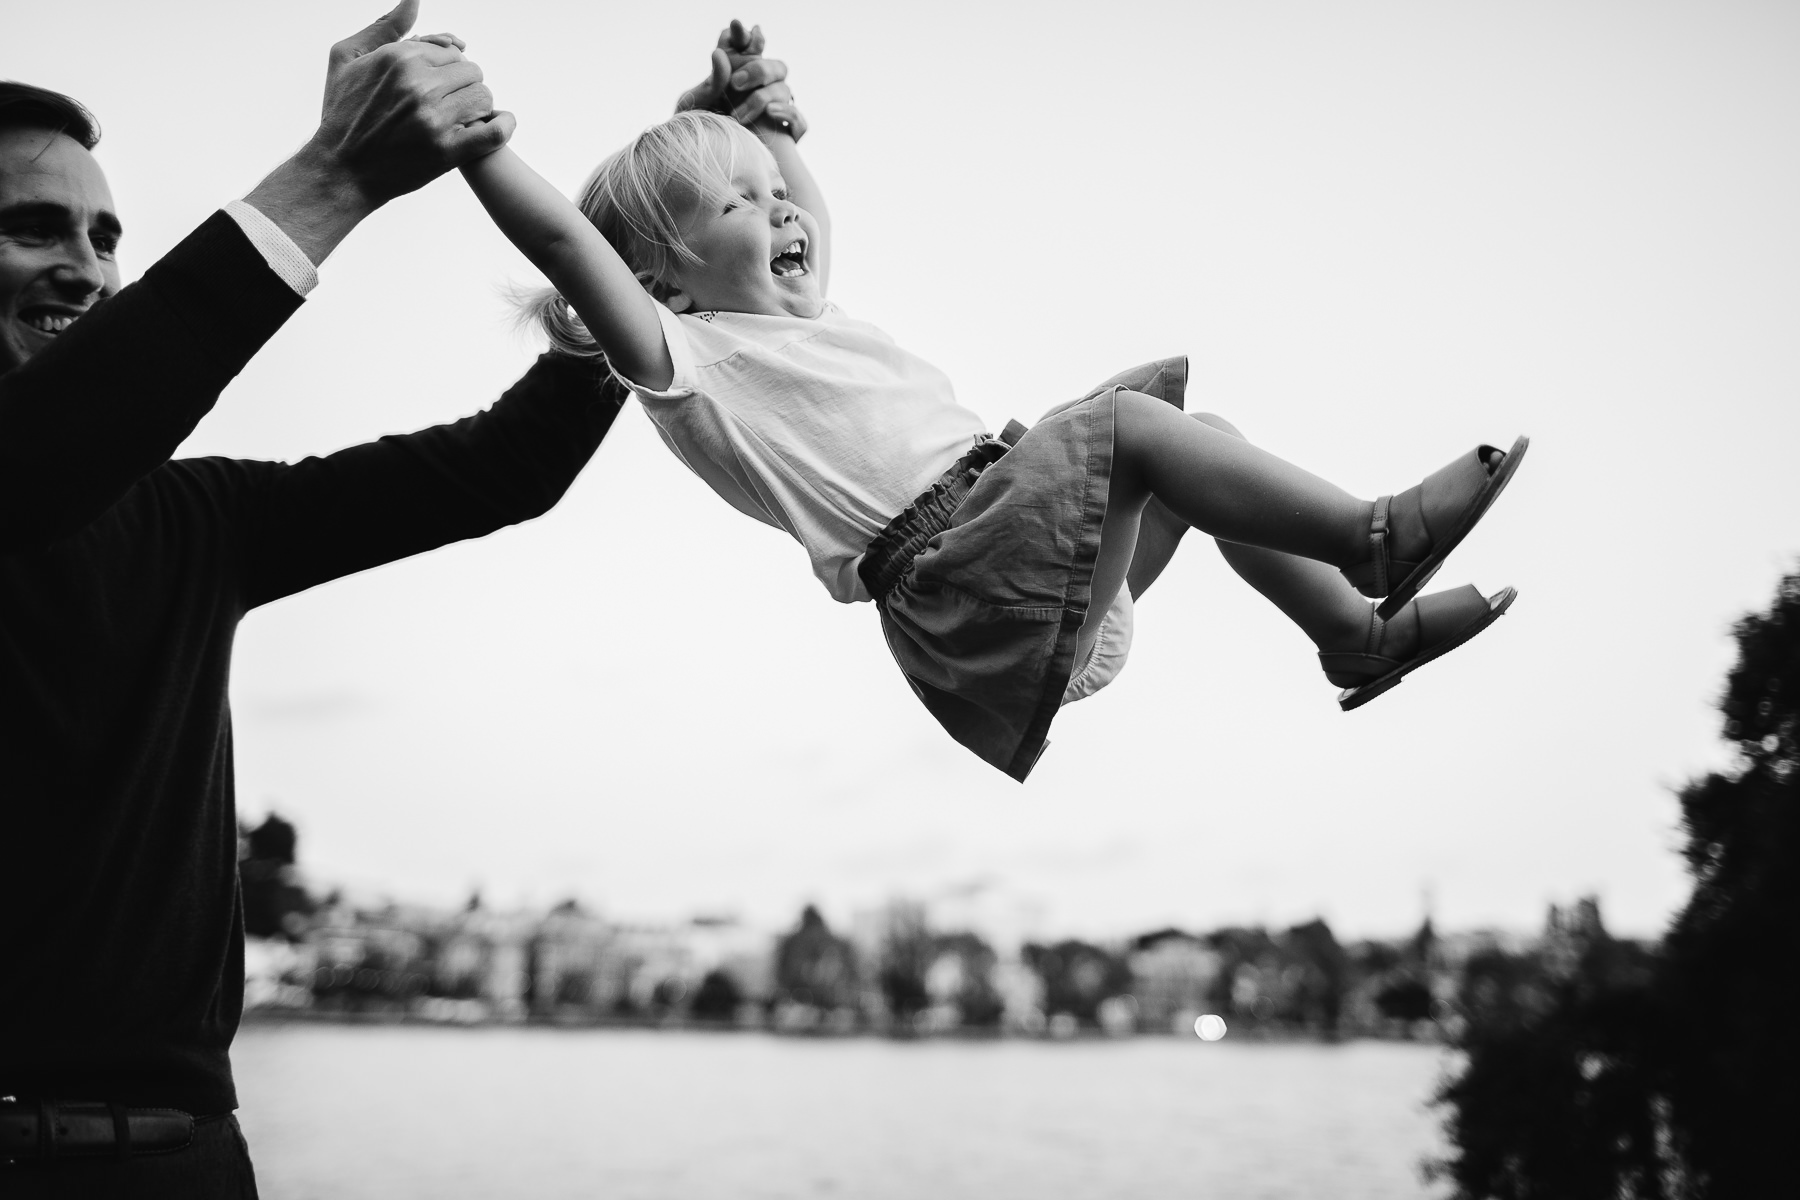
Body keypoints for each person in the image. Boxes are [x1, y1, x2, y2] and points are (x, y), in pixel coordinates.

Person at [0, 5, 793, 1193]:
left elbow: (504, 466)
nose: (90, 264)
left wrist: (676, 231)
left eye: (107, 234)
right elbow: (41, 465)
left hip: (191, 1165)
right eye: (32, 229)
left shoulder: (195, 520)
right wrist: (333, 177)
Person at [459, 20, 1528, 783]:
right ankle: (1370, 539)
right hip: (971, 591)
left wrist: (759, 121)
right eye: (738, 202)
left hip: (1038, 560)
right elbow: (564, 240)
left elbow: (811, 204)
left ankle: (1355, 636)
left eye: (775, 195)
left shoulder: (807, 317)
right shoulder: (688, 365)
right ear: (656, 279)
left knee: (1205, 444)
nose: (782, 211)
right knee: (1129, 433)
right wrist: (478, 147)